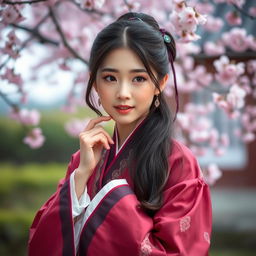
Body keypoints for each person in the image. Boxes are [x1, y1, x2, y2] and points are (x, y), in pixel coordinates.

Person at [28, 12, 212, 256]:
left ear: (161, 83)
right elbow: (41, 245)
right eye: (110, 78)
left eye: (138, 78)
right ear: (95, 83)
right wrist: (82, 175)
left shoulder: (178, 163)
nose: (123, 92)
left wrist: (114, 203)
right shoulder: (83, 161)